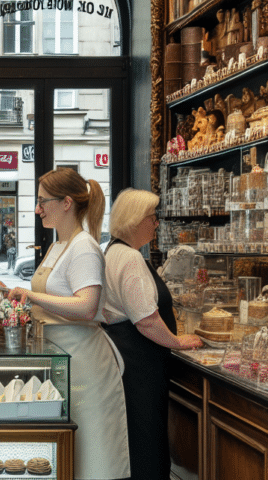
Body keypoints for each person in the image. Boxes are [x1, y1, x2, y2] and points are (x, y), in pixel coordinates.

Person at [7, 167, 130, 480]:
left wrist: (31, 296)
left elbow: (87, 306)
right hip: (64, 359)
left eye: (42, 201)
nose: (37, 209)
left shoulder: (84, 246)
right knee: (68, 458)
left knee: (93, 459)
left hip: (86, 364)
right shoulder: (58, 245)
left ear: (65, 203)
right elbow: (52, 296)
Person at [102, 188, 202, 480]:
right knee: (146, 440)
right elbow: (145, 319)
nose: (156, 223)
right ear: (135, 220)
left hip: (129, 364)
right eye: (152, 217)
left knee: (134, 439)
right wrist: (176, 341)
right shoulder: (130, 259)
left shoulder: (114, 251)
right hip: (141, 366)